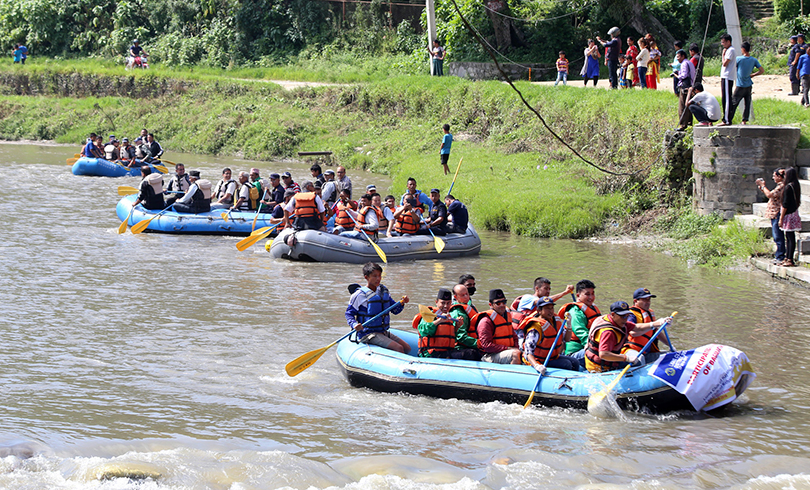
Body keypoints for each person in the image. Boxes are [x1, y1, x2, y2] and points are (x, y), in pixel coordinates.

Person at [585, 301, 670, 372]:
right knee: (638, 362)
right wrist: (626, 358)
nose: (625, 319)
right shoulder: (608, 332)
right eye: (622, 316)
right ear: (613, 314)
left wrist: (658, 323)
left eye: (627, 315)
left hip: (607, 359)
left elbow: (636, 327)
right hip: (600, 366)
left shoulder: (618, 322)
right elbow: (604, 354)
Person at [345, 262, 410, 353]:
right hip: (368, 334)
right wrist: (354, 324)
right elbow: (349, 314)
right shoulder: (358, 295)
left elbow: (395, 310)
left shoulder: (383, 291)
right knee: (398, 348)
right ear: (366, 277)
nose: (378, 279)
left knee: (407, 348)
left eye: (379, 276)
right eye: (374, 276)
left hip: (382, 332)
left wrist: (402, 303)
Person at [519, 296, 580, 373]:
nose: (550, 311)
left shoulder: (554, 321)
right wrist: (537, 366)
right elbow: (528, 352)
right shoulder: (535, 328)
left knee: (575, 362)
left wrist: (569, 324)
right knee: (566, 364)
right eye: (547, 308)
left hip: (552, 357)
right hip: (539, 360)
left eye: (552, 308)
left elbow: (567, 339)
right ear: (539, 310)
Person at [416, 288, 479, 359]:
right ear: (436, 302)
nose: (445, 306)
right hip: (431, 353)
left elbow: (450, 339)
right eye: (443, 303)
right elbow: (423, 331)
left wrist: (457, 327)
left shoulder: (449, 317)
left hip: (446, 352)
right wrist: (438, 321)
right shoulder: (430, 314)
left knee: (473, 353)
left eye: (448, 303)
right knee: (471, 354)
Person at [472, 289, 521, 364]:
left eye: (504, 302)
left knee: (522, 353)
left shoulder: (506, 318)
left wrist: (517, 348)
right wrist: (508, 349)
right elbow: (486, 345)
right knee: (515, 354)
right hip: (489, 355)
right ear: (490, 305)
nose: (502, 305)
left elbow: (514, 337)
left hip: (507, 351)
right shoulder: (485, 321)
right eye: (498, 303)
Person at [558, 279, 601, 359]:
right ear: (578, 295)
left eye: (592, 293)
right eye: (587, 294)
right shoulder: (575, 312)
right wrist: (597, 346)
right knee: (603, 352)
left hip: (589, 346)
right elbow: (581, 333)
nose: (591, 297)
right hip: (575, 353)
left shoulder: (592, 308)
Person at [725, 42, 764, 125]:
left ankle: (729, 119)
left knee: (734, 103)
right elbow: (762, 70)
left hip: (740, 85)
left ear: (743, 49)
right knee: (747, 103)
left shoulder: (739, 59)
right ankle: (744, 121)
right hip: (749, 84)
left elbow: (732, 67)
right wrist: (753, 75)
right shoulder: (753, 60)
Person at [622, 288, 664, 363]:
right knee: (640, 359)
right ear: (635, 301)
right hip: (631, 350)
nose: (648, 302)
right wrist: (652, 326)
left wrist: (671, 347)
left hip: (646, 352)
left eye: (649, 299)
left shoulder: (650, 313)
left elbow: (657, 332)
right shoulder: (631, 314)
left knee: (669, 356)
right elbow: (633, 333)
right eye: (644, 300)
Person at [757, 169, 786, 264]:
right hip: (774, 213)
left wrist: (763, 186)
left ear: (779, 177)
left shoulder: (781, 186)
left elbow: (770, 195)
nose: (773, 178)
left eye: (774, 176)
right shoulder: (780, 186)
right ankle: (779, 255)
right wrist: (762, 188)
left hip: (777, 213)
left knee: (778, 236)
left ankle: (780, 256)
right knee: (776, 235)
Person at [780, 167, 802, 267]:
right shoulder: (795, 185)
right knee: (790, 237)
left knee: (789, 237)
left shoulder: (788, 187)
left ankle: (789, 259)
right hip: (794, 213)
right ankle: (788, 257)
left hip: (788, 215)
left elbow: (785, 204)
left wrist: (781, 218)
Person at [451, 284, 480, 359]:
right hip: (460, 348)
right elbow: (461, 337)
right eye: (462, 295)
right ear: (455, 297)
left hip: (472, 344)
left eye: (467, 294)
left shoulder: (469, 308)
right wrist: (479, 343)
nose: (466, 297)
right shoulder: (458, 313)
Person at [675, 49, 696, 131]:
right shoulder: (689, 62)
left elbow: (684, 75)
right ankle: (689, 123)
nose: (677, 59)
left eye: (678, 57)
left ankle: (683, 125)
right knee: (688, 106)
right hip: (690, 86)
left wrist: (677, 75)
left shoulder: (684, 63)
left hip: (684, 87)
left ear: (683, 56)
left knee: (682, 106)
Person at [719, 33, 737, 125]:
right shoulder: (729, 50)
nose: (722, 44)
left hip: (727, 76)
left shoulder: (730, 50)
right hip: (725, 76)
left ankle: (726, 119)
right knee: (724, 98)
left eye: (723, 42)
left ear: (728, 42)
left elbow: (725, 63)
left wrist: (723, 55)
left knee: (726, 99)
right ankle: (726, 118)